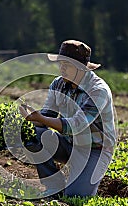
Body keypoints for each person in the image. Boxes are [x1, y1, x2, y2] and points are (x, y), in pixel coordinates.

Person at [19, 40, 117, 197]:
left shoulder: (98, 91)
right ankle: (53, 186)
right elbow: (47, 116)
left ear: (81, 68)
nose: (62, 68)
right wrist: (28, 119)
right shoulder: (58, 84)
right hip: (69, 144)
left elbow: (75, 126)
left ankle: (79, 184)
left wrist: (40, 118)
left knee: (75, 197)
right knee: (34, 134)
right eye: (61, 63)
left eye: (67, 64)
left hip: (95, 150)